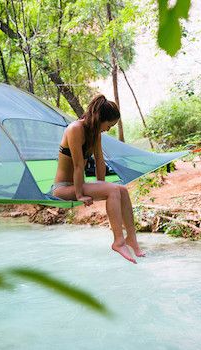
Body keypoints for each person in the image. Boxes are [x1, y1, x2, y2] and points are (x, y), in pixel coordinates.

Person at [51, 94, 144, 264]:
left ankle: (131, 238)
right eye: (109, 125)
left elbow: (100, 161)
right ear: (100, 118)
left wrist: (102, 184)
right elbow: (79, 165)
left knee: (121, 189)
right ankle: (118, 241)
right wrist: (79, 195)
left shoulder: (95, 133)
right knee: (113, 189)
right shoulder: (75, 129)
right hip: (62, 188)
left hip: (79, 185)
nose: (108, 129)